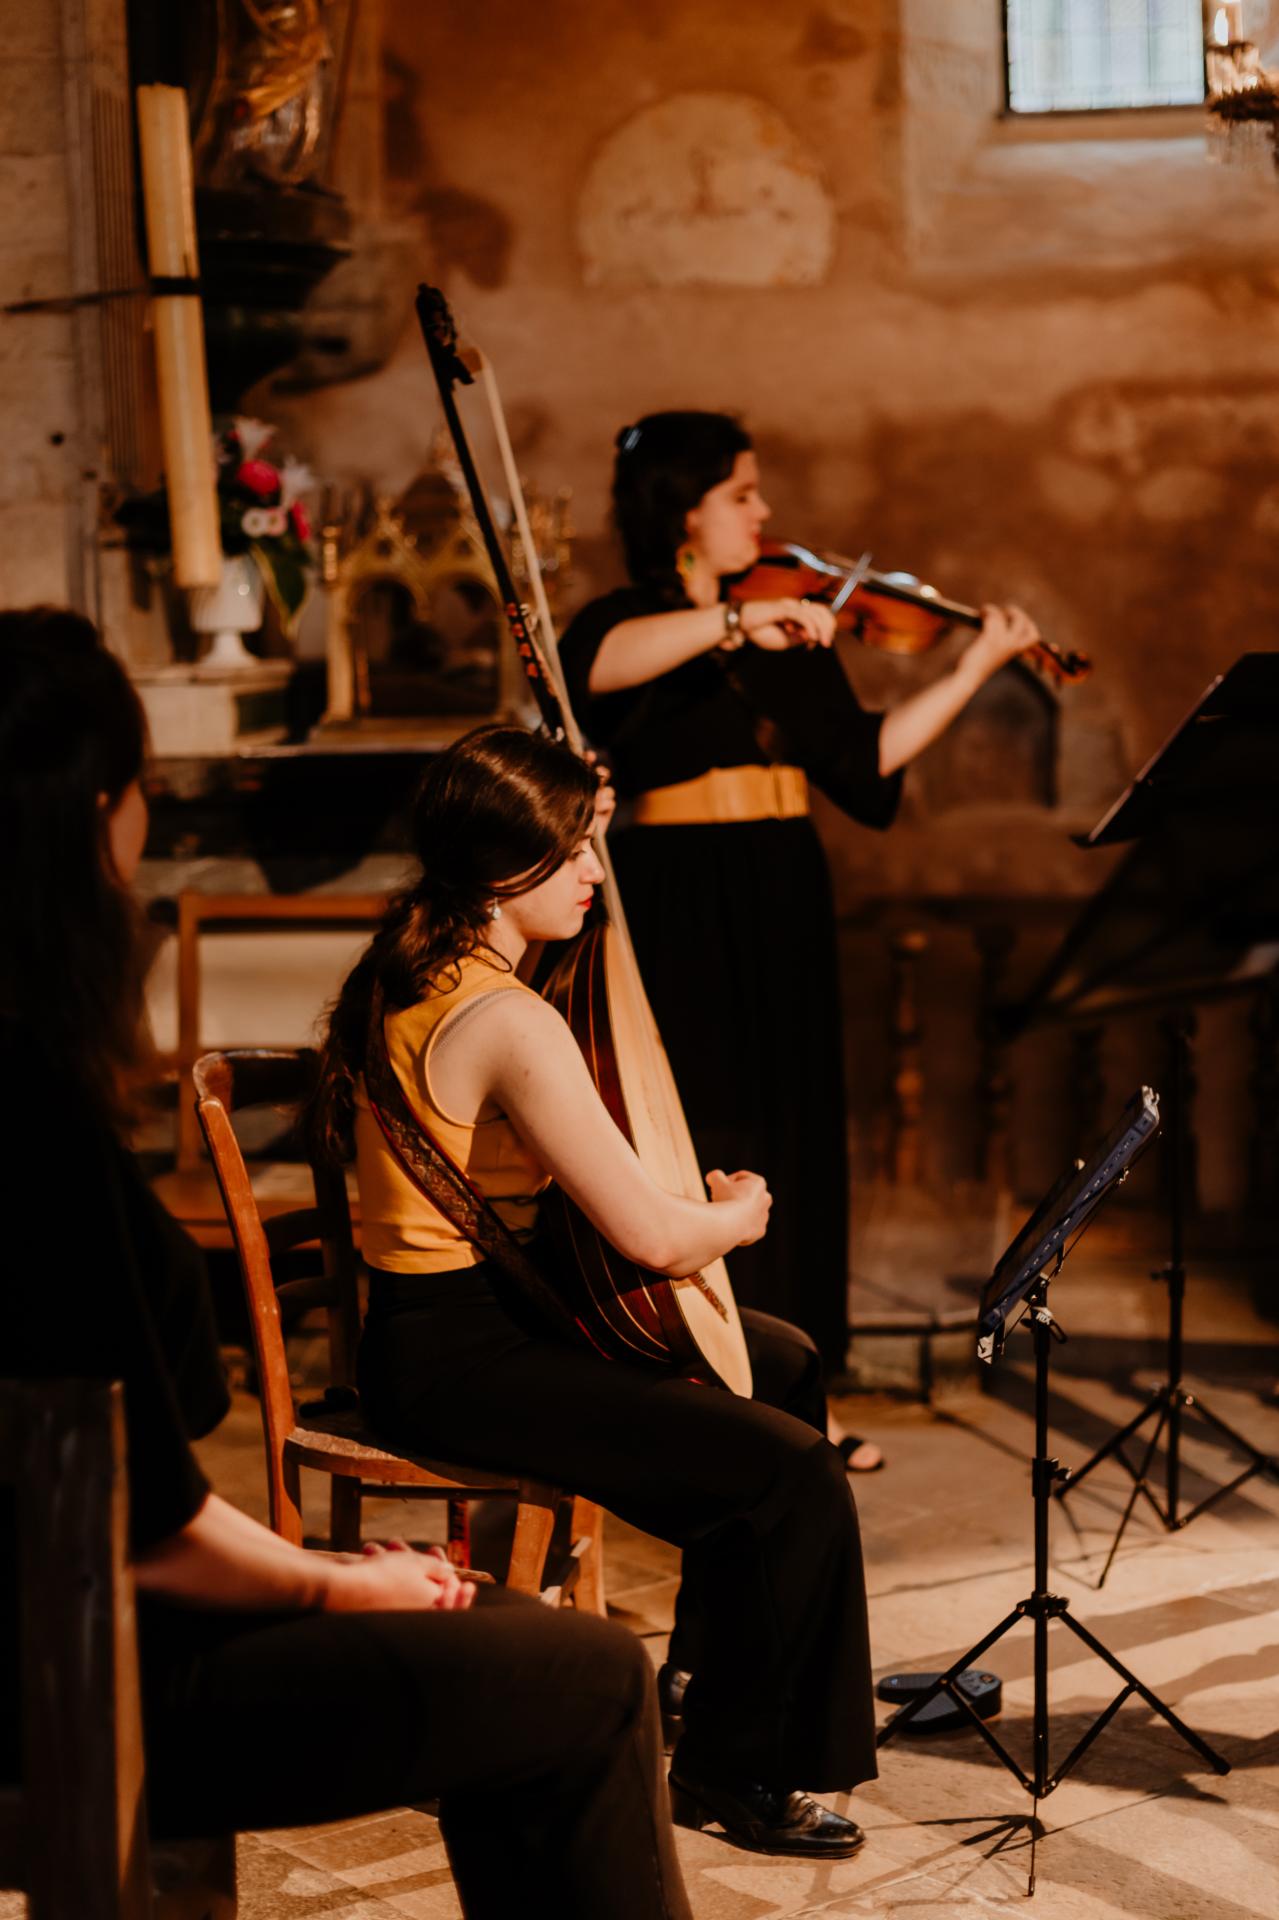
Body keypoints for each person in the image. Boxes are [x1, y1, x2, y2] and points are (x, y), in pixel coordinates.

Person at [0, 608, 691, 1920]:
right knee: (587, 1679)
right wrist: (342, 1579)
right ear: (90, 817)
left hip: (61, 1623)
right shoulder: (30, 1117)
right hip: (69, 1673)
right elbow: (140, 1537)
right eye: (140, 794)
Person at [311, 721, 880, 1861]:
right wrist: (741, 1209)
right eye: (573, 847)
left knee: (784, 1362)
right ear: (504, 861)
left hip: (442, 1332)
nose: (591, 873)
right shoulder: (505, 1017)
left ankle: (724, 1669)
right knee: (793, 1474)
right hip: (459, 1360)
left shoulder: (415, 961)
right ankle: (737, 1765)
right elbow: (653, 1236)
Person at [558, 412, 1043, 1464]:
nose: (764, 513)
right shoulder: (636, 623)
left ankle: (797, 1398)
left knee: (797, 1136)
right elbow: (590, 668)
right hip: (675, 897)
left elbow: (865, 770)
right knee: (697, 1131)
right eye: (742, 493)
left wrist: (971, 669)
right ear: (683, 507)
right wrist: (735, 625)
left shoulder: (784, 627)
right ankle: (695, 1385)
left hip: (780, 885)